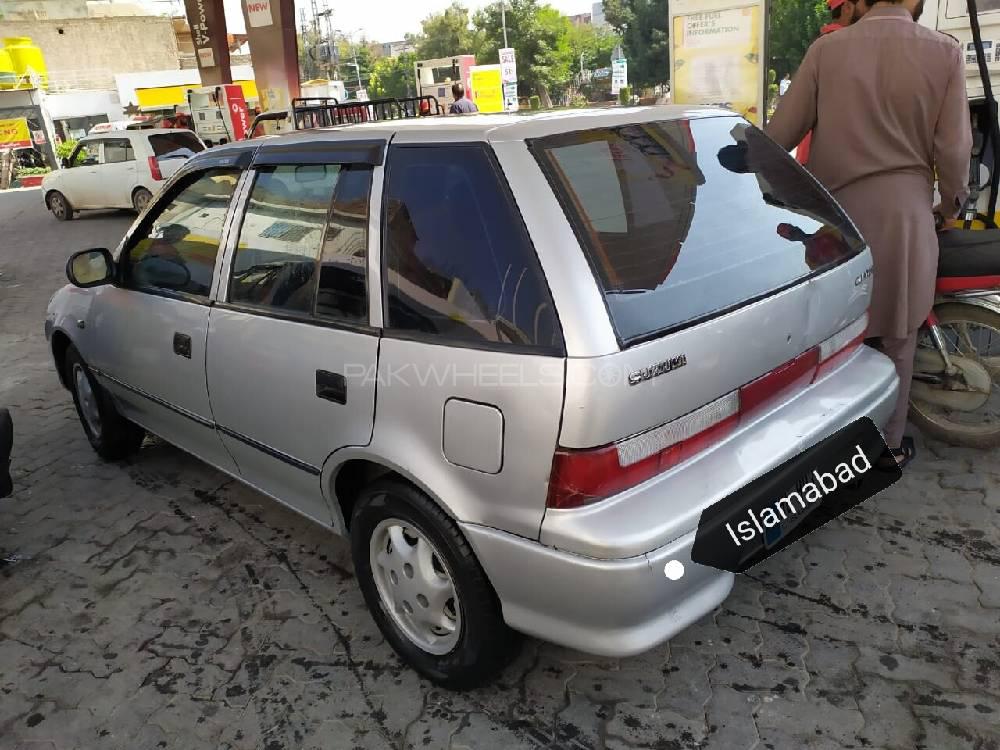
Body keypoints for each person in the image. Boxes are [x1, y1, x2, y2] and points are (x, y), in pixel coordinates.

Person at [767, 0, 972, 469]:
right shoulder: (944, 52)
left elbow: (777, 136)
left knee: (836, 338)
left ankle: (829, 453)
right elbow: (955, 152)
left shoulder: (827, 51)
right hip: (906, 219)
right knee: (899, 338)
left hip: (836, 221)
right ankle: (888, 447)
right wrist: (949, 206)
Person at [795, 0, 870, 166]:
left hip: (812, 155)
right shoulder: (847, 46)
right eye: (867, 6)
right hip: (833, 160)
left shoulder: (823, 44)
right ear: (847, 8)